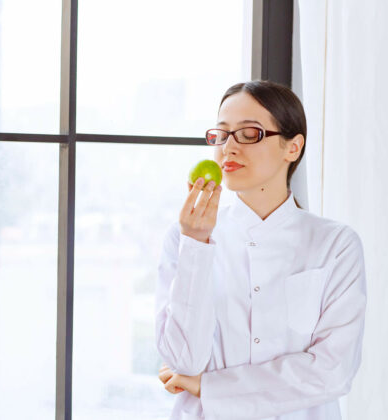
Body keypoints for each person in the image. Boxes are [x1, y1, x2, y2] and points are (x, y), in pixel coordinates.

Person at [154, 80, 367, 420]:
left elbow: (332, 371)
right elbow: (184, 362)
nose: (228, 148)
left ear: (292, 147)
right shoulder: (185, 238)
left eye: (249, 134)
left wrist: (208, 387)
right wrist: (197, 244)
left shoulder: (335, 245)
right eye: (221, 135)